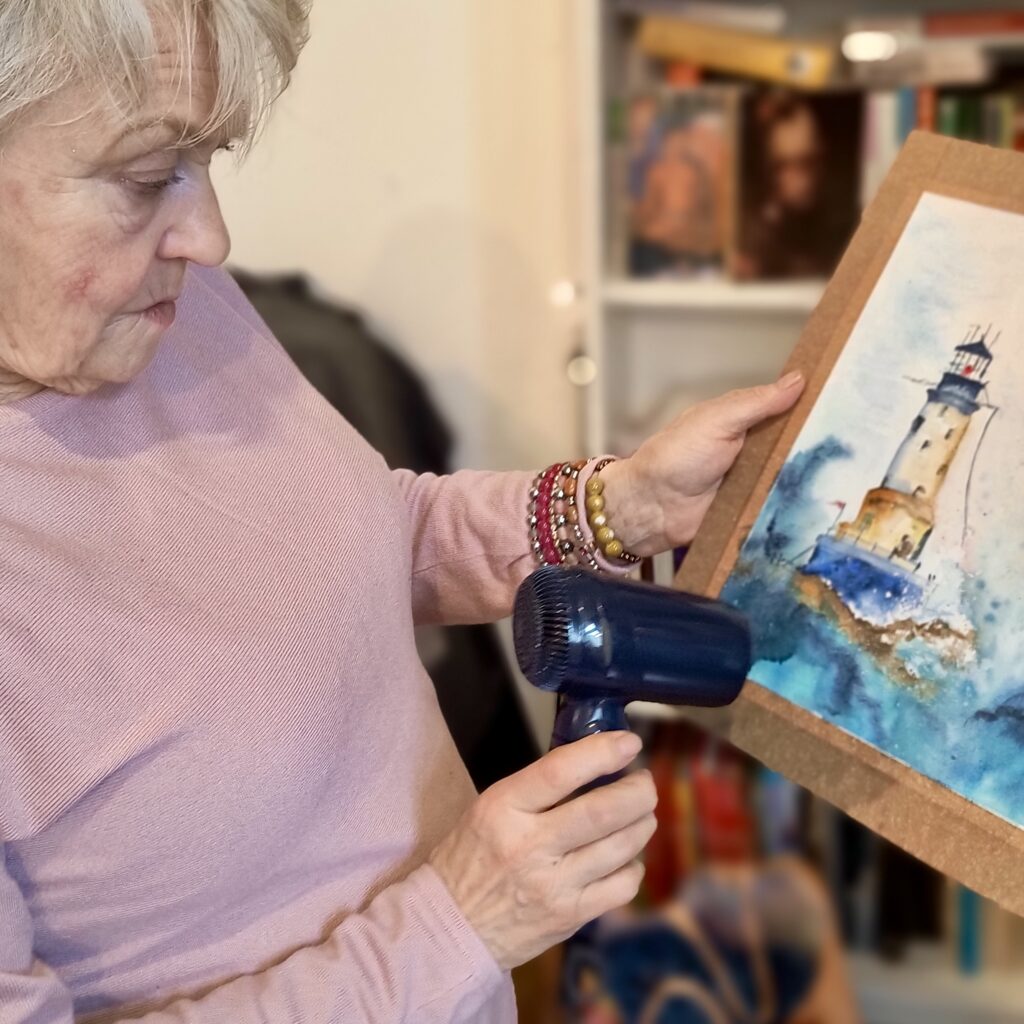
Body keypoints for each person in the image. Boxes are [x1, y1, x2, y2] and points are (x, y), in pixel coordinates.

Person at [0, 3, 804, 1022]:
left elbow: (344, 531)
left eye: (209, 159)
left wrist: (621, 506)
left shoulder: (166, 309)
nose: (211, 237)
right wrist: (463, 923)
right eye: (149, 174)